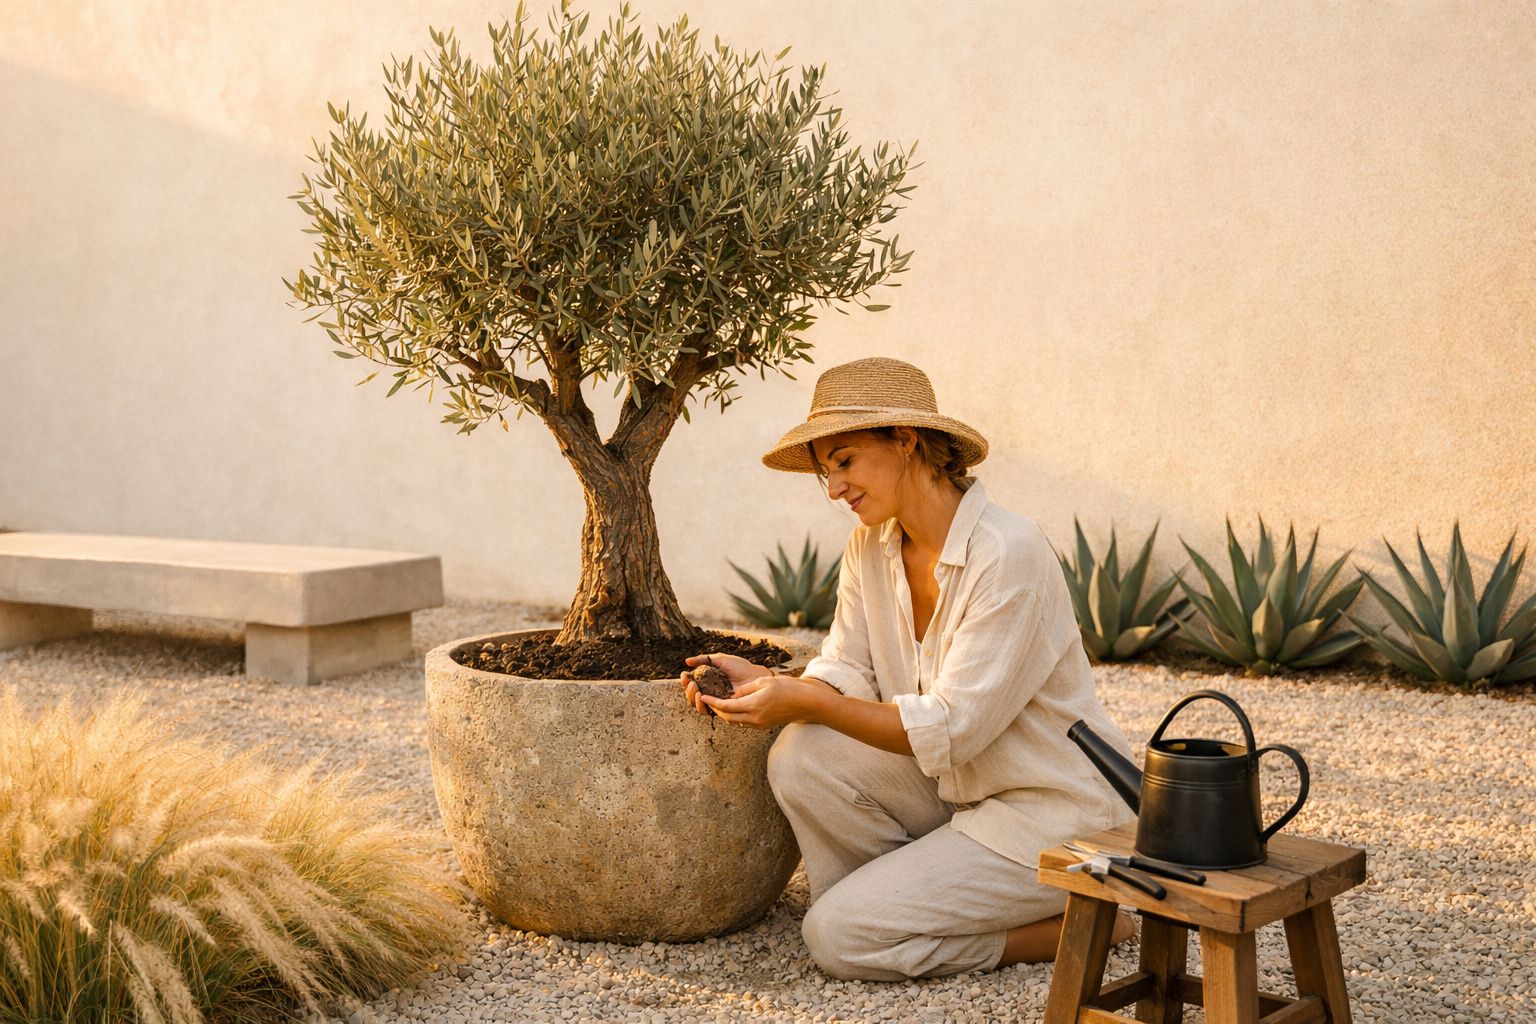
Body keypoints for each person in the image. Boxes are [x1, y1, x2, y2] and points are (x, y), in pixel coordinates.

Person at [679, 356, 1138, 981]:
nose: (835, 488)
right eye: (826, 472)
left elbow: (953, 729)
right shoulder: (871, 545)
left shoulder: (1008, 553)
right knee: (802, 755)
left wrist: (805, 701)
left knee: (839, 940)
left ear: (906, 439)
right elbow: (845, 664)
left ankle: (1075, 925)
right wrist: (779, 689)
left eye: (844, 461)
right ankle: (904, 904)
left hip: (1054, 815)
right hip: (958, 792)